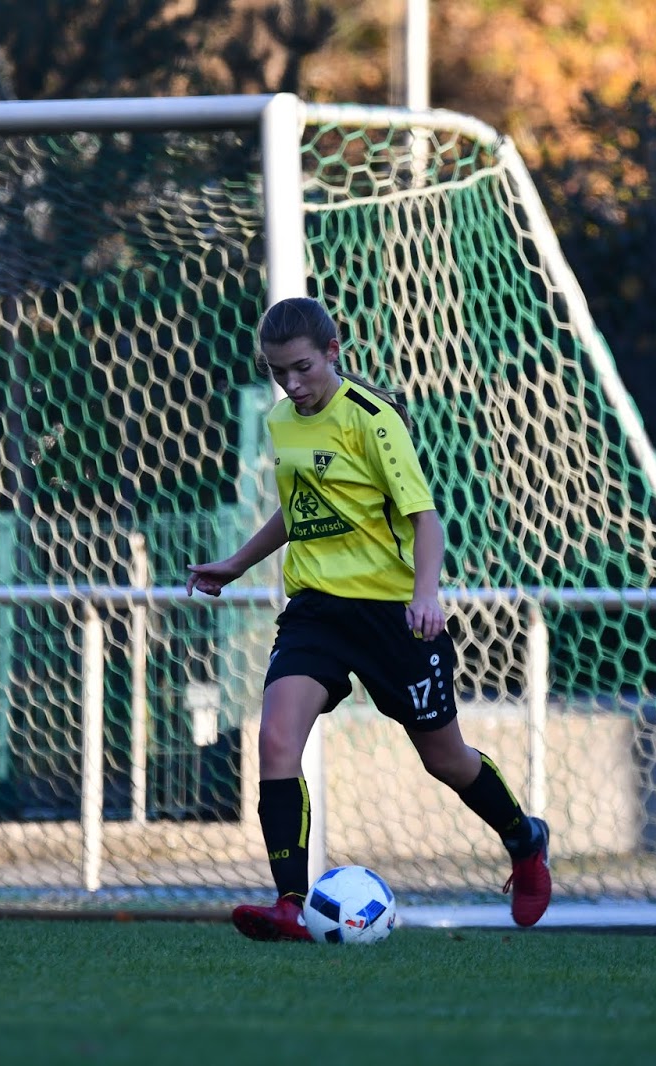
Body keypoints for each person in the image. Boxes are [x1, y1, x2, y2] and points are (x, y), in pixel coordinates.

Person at [186, 296, 552, 941]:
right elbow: (299, 512)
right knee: (274, 740)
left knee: (445, 759)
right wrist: (237, 564)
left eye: (302, 368)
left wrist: (426, 593)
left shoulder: (373, 421)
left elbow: (425, 518)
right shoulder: (282, 422)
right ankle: (291, 904)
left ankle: (523, 839)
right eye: (278, 373)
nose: (292, 385)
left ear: (333, 352)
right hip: (317, 612)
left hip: (393, 616)